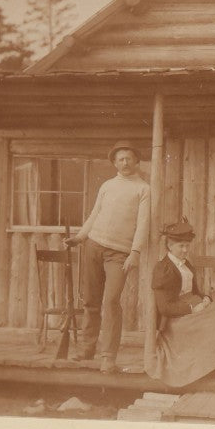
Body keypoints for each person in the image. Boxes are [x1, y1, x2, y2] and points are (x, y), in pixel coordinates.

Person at [147, 220, 215, 398]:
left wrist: (206, 298)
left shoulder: (186, 265)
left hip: (194, 309)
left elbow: (196, 292)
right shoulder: (163, 269)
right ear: (169, 245)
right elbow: (165, 307)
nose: (185, 250)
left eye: (187, 246)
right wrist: (193, 308)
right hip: (176, 322)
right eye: (181, 246)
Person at [65, 140, 150, 373]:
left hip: (119, 253)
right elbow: (95, 213)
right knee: (91, 300)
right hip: (94, 245)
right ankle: (86, 349)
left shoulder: (143, 189)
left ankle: (108, 356)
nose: (125, 162)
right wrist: (81, 237)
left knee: (111, 301)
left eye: (129, 158)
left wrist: (135, 252)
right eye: (120, 159)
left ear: (136, 161)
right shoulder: (107, 186)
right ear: (114, 162)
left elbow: (143, 224)